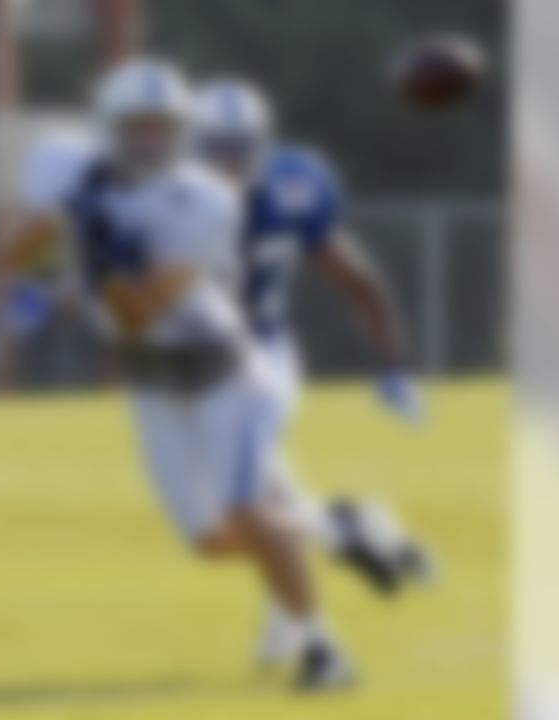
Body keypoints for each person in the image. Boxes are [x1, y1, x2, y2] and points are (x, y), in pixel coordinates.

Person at [0, 58, 354, 691]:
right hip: (151, 383)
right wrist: (36, 252)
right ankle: (332, 525)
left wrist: (100, 266)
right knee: (211, 542)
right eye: (137, 126)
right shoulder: (64, 162)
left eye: (164, 127)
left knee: (248, 512)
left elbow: (141, 314)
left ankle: (325, 652)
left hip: (219, 372)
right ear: (107, 125)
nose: (151, 140)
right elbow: (20, 244)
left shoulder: (206, 197)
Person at [193, 78, 437, 663]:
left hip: (263, 364)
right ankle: (358, 533)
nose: (229, 161)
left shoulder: (291, 188)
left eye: (240, 146)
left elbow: (359, 281)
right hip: (199, 369)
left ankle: (309, 607)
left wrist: (394, 368)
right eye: (217, 146)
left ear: (262, 145)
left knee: (241, 502)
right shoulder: (170, 197)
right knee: (257, 503)